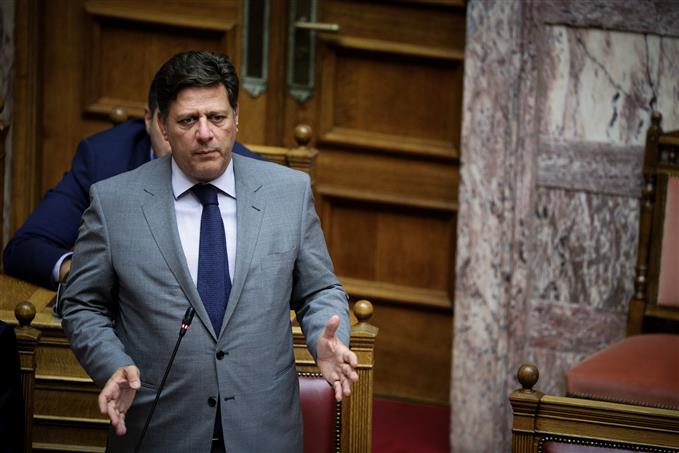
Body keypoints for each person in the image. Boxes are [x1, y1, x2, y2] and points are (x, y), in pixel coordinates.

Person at [60, 50, 358, 453]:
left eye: (217, 117)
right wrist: (110, 362)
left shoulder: (288, 193)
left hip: (264, 430)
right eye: (188, 120)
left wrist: (324, 334)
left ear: (236, 118)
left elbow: (319, 289)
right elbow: (82, 304)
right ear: (163, 126)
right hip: (158, 431)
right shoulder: (114, 203)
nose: (205, 133)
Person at [2, 77, 261, 290]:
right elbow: (25, 248)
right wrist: (84, 275)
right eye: (184, 121)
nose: (198, 136)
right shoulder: (103, 160)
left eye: (215, 118)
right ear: (152, 121)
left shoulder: (255, 178)